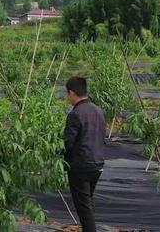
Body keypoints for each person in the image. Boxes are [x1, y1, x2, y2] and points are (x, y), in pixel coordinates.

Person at [63, 77, 105, 232]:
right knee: (87, 202)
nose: (67, 98)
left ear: (72, 93)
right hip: (97, 162)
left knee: (84, 207)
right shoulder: (98, 110)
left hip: (81, 166)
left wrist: (57, 153)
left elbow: (68, 142)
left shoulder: (75, 114)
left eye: (67, 94)